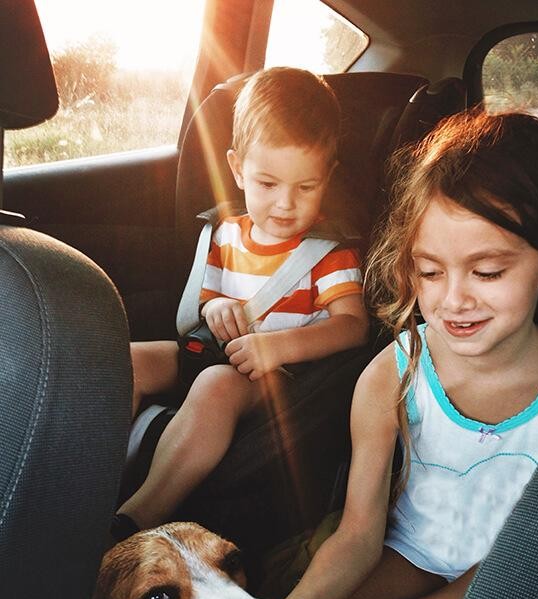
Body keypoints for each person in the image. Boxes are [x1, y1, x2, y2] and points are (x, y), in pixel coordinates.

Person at [273, 111, 538, 599]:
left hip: (517, 580)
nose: (453, 300)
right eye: (429, 271)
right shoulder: (393, 374)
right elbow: (359, 533)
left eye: (487, 272)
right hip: (412, 553)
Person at [112, 67, 369, 537]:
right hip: (210, 348)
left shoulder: (329, 253)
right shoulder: (225, 232)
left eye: (305, 187)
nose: (286, 204)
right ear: (236, 168)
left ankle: (137, 516)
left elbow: (352, 325)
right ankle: (89, 475)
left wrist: (279, 347)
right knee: (124, 360)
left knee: (215, 385)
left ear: (327, 176)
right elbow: (204, 301)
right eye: (267, 184)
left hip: (273, 379)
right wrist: (214, 309)